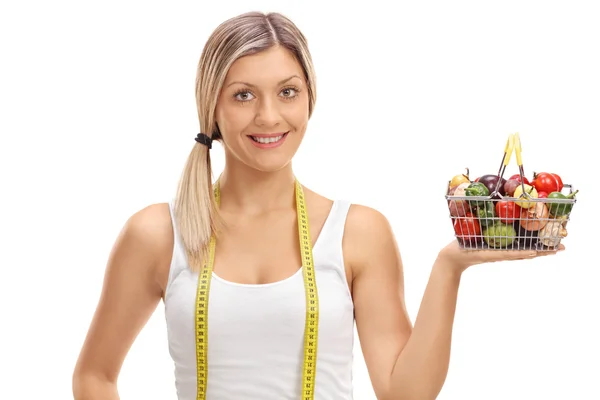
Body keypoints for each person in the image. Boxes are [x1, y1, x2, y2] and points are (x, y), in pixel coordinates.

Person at [72, 11, 564, 400]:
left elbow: (404, 392)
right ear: (212, 109)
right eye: (243, 95)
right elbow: (94, 377)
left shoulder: (357, 233)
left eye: (288, 91)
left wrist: (450, 266)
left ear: (309, 100)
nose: (269, 116)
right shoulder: (159, 233)